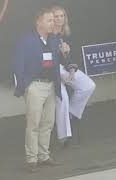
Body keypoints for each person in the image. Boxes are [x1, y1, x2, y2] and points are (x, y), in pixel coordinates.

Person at [13, 8, 69, 172]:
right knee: (33, 123)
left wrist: (65, 53)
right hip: (35, 85)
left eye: (54, 20)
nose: (53, 23)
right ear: (39, 22)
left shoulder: (53, 40)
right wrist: (26, 85)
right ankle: (32, 159)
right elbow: (18, 64)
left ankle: (44, 155)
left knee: (48, 123)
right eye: (50, 20)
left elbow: (59, 60)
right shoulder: (27, 41)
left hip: (51, 84)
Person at [50, 5, 96, 145]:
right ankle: (64, 137)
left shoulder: (66, 34)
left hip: (65, 68)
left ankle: (71, 113)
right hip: (51, 70)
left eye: (61, 16)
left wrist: (71, 70)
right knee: (62, 97)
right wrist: (60, 75)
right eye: (56, 16)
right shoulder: (48, 35)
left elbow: (70, 57)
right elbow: (45, 59)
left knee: (88, 85)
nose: (59, 19)